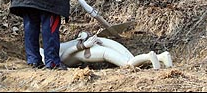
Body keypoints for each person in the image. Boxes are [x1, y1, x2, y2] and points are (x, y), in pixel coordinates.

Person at [41, 31, 173, 69]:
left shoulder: (53, 51)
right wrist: (83, 45)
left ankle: (159, 57)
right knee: (127, 62)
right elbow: (67, 53)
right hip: (88, 50)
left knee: (128, 60)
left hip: (92, 45)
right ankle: (155, 57)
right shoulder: (59, 57)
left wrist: (83, 37)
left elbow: (69, 48)